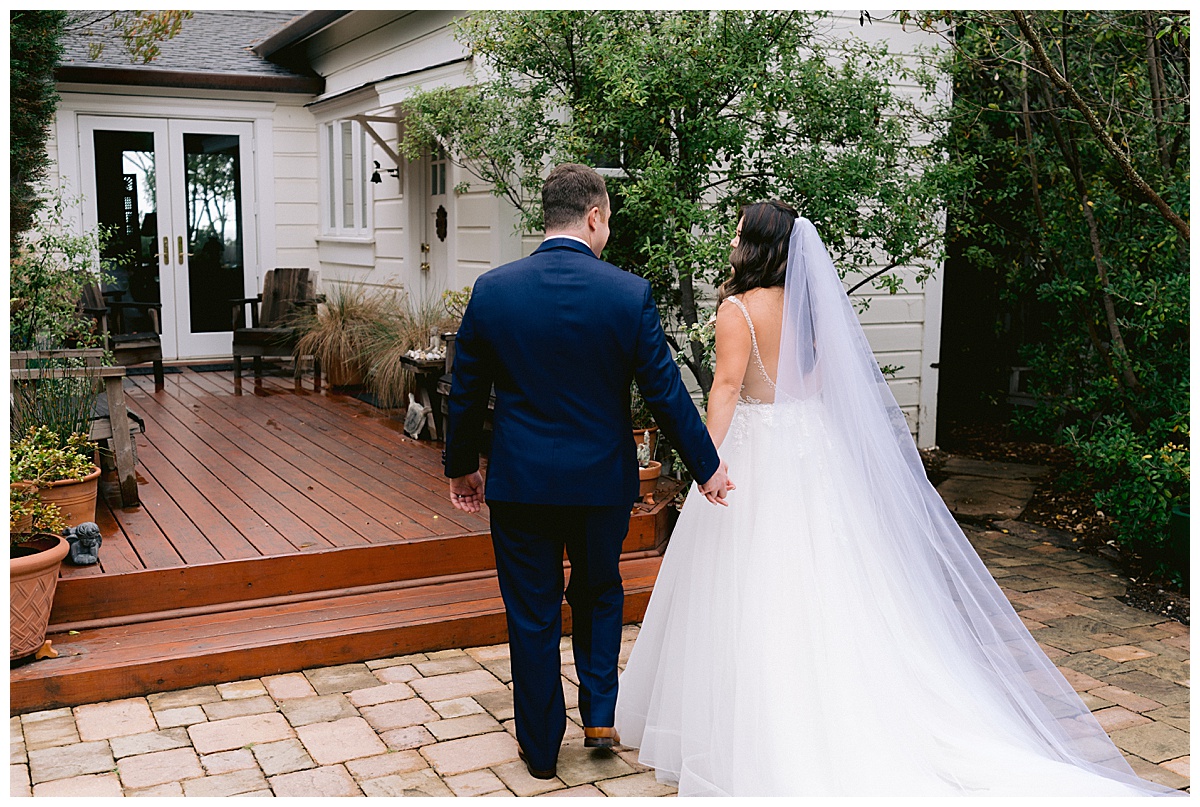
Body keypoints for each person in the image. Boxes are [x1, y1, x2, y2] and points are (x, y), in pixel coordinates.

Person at [613, 202, 1183, 797]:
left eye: (736, 235)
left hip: (756, 457)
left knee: (751, 587)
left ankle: (758, 733)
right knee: (829, 587)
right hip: (814, 456)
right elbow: (833, 389)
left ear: (757, 246)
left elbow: (727, 387)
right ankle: (838, 706)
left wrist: (711, 462)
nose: (730, 244)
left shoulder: (738, 310)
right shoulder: (812, 313)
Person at [443, 163, 734, 781]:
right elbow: (667, 394)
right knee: (601, 592)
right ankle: (600, 715)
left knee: (532, 610)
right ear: (595, 215)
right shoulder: (626, 294)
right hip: (601, 483)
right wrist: (706, 466)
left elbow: (463, 392)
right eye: (609, 221)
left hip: (521, 484)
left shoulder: (495, 290)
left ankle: (542, 748)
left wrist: (463, 467)